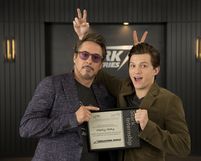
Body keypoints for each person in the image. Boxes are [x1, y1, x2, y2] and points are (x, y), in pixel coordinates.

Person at [74, 8, 191, 161]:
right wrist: (84, 38)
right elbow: (97, 71)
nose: (137, 71)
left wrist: (148, 126)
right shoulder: (123, 88)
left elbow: (183, 146)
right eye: (133, 65)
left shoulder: (169, 100)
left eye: (143, 65)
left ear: (155, 70)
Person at [19, 31, 116, 160]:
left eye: (96, 57)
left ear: (101, 65)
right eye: (84, 55)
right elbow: (27, 127)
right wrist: (73, 119)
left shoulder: (103, 93)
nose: (89, 61)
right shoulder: (52, 84)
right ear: (75, 57)